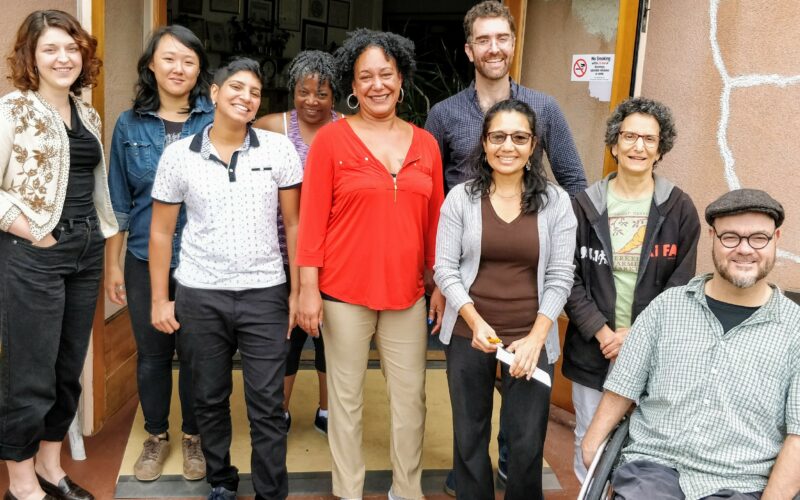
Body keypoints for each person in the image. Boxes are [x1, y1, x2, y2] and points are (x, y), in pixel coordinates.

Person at [296, 29, 445, 500]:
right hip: (343, 293)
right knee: (345, 402)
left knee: (411, 401)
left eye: (386, 74)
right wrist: (307, 289)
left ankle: (407, 490)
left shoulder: (426, 144)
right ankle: (349, 491)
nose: (377, 85)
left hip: (407, 294)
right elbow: (311, 222)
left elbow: (436, 222)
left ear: (401, 80)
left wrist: (438, 284)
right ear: (353, 86)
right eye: (366, 77)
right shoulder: (331, 141)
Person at [581, 189, 800, 499]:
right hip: (652, 472)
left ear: (776, 238)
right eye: (730, 237)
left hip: (740, 482)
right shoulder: (666, 308)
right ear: (712, 236)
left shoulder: (795, 330)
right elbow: (622, 387)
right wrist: (592, 446)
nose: (744, 249)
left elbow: (798, 438)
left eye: (758, 238)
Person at [149, 58, 302, 500]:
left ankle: (271, 492)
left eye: (254, 92)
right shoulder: (179, 155)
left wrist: (297, 291)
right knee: (209, 397)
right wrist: (160, 299)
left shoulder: (278, 150)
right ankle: (221, 480)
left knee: (267, 404)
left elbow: (295, 225)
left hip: (264, 292)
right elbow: (160, 232)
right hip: (200, 293)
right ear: (214, 93)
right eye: (236, 87)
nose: (246, 97)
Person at [0, 10, 118, 500]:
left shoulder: (87, 113)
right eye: (50, 49)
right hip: (34, 256)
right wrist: (32, 231)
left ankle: (50, 466)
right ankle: (20, 481)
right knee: (30, 374)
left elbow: (95, 187)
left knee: (68, 368)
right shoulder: (12, 110)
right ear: (31, 57)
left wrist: (103, 239)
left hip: (85, 252)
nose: (63, 58)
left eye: (72, 48)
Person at [434, 99, 577, 500]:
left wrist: (536, 338)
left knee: (527, 443)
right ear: (484, 142)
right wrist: (475, 322)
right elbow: (445, 268)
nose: (508, 146)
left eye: (519, 137)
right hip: (469, 334)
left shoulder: (556, 203)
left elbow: (560, 276)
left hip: (531, 337)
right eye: (498, 137)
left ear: (533, 145)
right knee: (469, 437)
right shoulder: (461, 198)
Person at [562, 97, 701, 482]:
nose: (638, 146)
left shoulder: (678, 209)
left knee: (643, 446)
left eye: (649, 139)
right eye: (629, 136)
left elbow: (680, 286)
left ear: (660, 148)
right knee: (589, 438)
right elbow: (568, 278)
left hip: (652, 351)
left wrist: (636, 336)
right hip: (594, 347)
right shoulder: (585, 205)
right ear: (614, 143)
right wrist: (603, 332)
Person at [105, 24, 214, 483]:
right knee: (152, 354)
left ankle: (193, 436)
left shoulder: (215, 121)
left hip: (201, 259)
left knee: (195, 354)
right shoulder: (129, 125)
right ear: (151, 64)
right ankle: (156, 435)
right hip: (143, 257)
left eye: (189, 61)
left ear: (199, 70)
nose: (178, 68)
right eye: (169, 58)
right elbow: (118, 202)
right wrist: (113, 265)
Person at [253, 50, 342, 435]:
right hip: (282, 250)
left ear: (334, 95)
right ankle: (280, 411)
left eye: (322, 94)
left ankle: (328, 410)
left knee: (330, 338)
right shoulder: (271, 126)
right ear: (293, 90)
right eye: (304, 92)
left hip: (334, 253)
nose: (312, 101)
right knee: (285, 336)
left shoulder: (347, 129)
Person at [425, 0, 587, 196]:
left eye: (502, 38)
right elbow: (427, 186)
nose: (494, 49)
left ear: (513, 44)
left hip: (528, 214)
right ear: (469, 51)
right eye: (483, 40)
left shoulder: (544, 107)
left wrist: (555, 216)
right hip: (463, 215)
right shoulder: (443, 114)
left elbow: (574, 182)